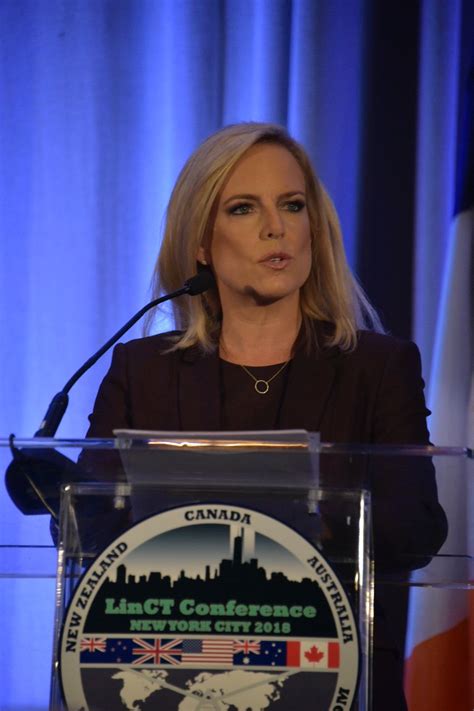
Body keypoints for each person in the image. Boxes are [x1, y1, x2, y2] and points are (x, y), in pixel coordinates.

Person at [84, 123, 447, 709]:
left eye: (292, 205)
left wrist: (301, 527)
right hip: (179, 675)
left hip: (334, 674)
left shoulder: (378, 367)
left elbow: (417, 529)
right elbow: (87, 527)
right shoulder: (143, 370)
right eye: (243, 208)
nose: (275, 227)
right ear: (201, 244)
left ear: (314, 228)